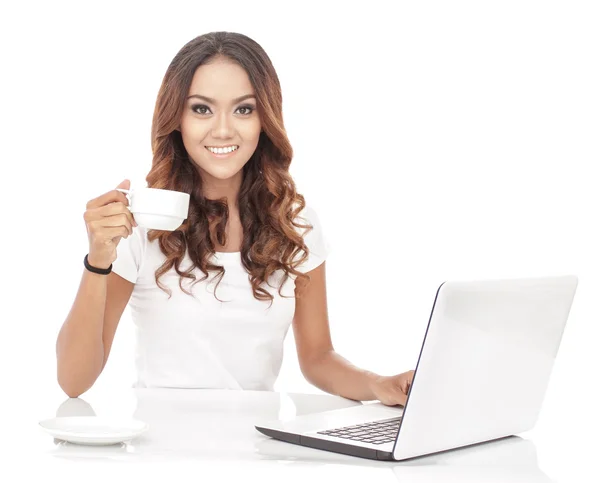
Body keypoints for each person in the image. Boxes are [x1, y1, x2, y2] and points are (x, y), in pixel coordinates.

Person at [56, 31, 414, 404]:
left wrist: (377, 384)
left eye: (244, 109)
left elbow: (318, 358)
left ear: (265, 118)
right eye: (201, 109)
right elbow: (73, 381)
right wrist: (98, 258)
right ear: (176, 117)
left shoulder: (296, 222)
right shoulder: (142, 222)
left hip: (260, 450)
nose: (223, 130)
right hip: (159, 452)